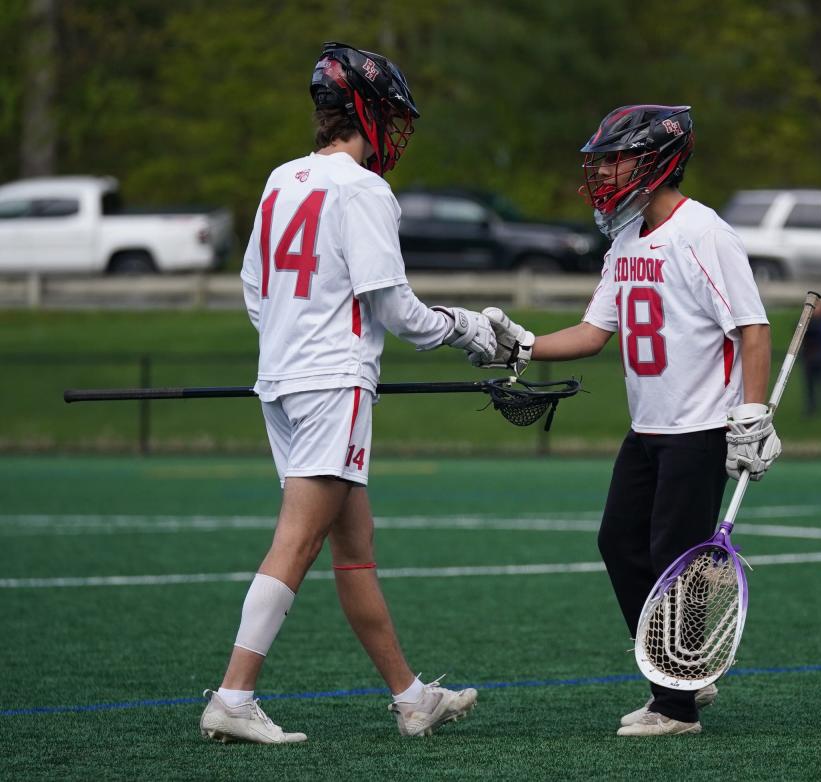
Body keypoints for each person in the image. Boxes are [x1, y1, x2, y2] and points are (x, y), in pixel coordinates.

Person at [199, 42, 494, 743]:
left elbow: (253, 286)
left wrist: (288, 337)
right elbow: (395, 308)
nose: (392, 130)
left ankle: (411, 697)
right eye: (387, 115)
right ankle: (234, 697)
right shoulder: (363, 189)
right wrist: (471, 329)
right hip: (334, 384)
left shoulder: (282, 178)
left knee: (353, 547)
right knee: (297, 542)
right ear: (364, 112)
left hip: (284, 379)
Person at [471, 105, 780, 736]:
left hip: (699, 427)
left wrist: (752, 411)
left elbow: (751, 326)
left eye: (618, 158)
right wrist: (522, 347)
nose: (606, 171)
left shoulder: (705, 234)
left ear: (657, 161)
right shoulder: (626, 237)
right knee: (619, 543)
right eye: (604, 160)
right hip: (648, 429)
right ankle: (683, 667)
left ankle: (676, 705)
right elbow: (593, 332)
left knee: (674, 555)